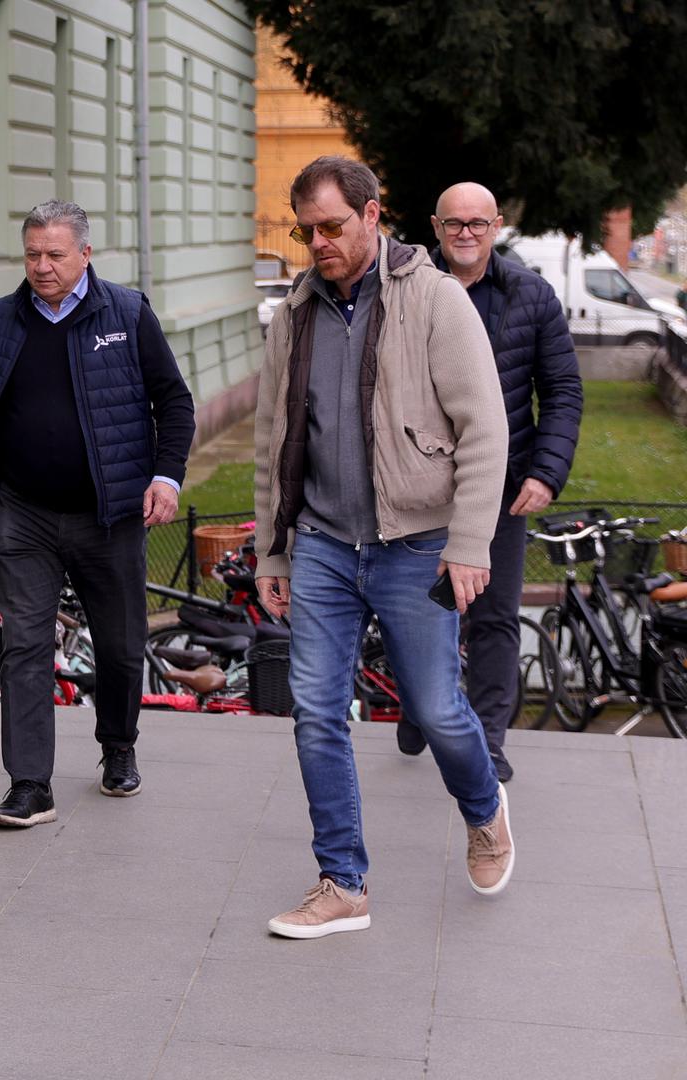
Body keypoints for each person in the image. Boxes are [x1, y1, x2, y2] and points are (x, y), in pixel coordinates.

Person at [252, 157, 514, 938]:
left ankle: (483, 806)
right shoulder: (295, 312)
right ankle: (342, 882)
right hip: (326, 546)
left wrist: (469, 543)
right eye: (306, 231)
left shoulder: (433, 299)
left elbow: (486, 428)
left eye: (332, 226)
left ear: (374, 215)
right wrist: (273, 551)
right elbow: (274, 440)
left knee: (435, 709)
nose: (318, 243)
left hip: (416, 543)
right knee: (317, 715)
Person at [0, 199, 195, 827]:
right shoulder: (1, 319)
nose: (41, 267)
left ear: (85, 254)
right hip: (25, 514)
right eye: (32, 254)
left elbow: (174, 402)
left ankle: (118, 745)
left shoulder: (127, 312)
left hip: (109, 515)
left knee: (119, 646)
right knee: (26, 647)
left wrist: (166, 477)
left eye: (55, 255)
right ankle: (30, 785)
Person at [392, 183, 583, 779]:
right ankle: (423, 707)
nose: (466, 233)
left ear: (496, 225)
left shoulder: (531, 295)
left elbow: (561, 393)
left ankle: (487, 742)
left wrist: (547, 473)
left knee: (494, 617)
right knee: (415, 612)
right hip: (418, 485)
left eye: (477, 223)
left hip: (500, 488)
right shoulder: (407, 292)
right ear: (436, 226)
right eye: (454, 223)